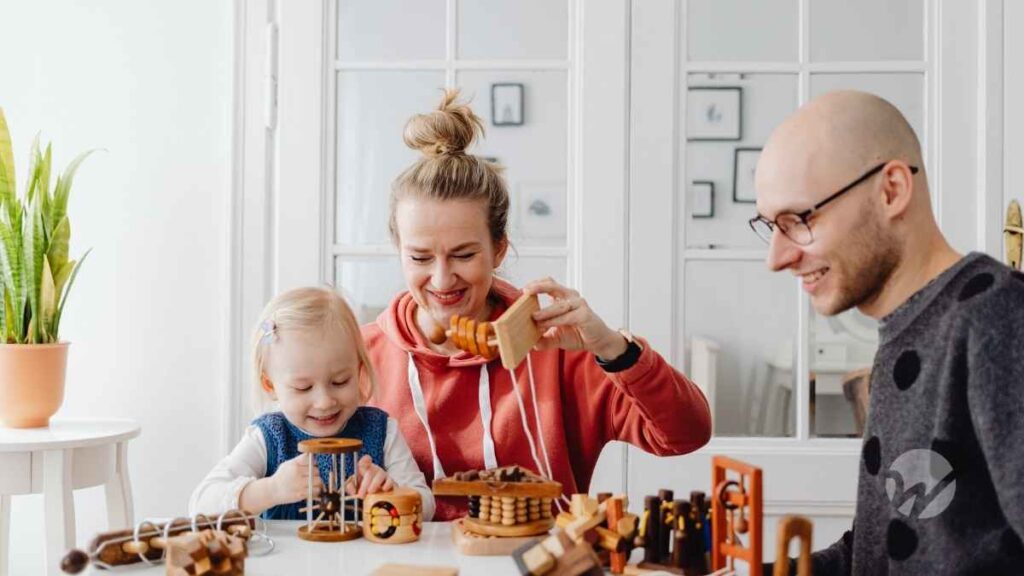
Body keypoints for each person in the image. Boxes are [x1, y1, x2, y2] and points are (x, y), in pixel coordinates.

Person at [362, 89, 712, 521]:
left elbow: (685, 434)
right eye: (419, 257)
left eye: (464, 255)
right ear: (399, 250)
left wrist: (611, 347)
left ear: (500, 250)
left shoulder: (557, 348)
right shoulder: (361, 356)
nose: (441, 278)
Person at [752, 90, 1024, 574]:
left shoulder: (997, 317)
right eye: (770, 225)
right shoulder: (906, 328)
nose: (777, 258)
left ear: (892, 190)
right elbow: (881, 550)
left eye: (799, 220)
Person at [190, 287, 434, 520]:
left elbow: (427, 504)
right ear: (270, 386)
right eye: (303, 388)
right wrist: (271, 490)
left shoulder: (381, 430)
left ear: (359, 372)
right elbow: (201, 504)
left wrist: (391, 495)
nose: (325, 401)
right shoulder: (268, 437)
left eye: (340, 381)